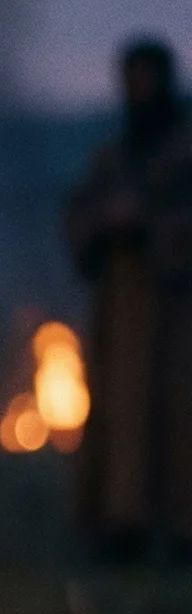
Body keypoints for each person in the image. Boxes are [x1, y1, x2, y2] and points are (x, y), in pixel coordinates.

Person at [65, 38, 192, 561]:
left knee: (182, 412)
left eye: (147, 79)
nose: (139, 89)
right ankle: (124, 525)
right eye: (131, 80)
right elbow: (80, 212)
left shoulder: (185, 151)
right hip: (125, 304)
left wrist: (152, 224)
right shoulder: (113, 155)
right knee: (122, 412)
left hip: (182, 304)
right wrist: (99, 222)